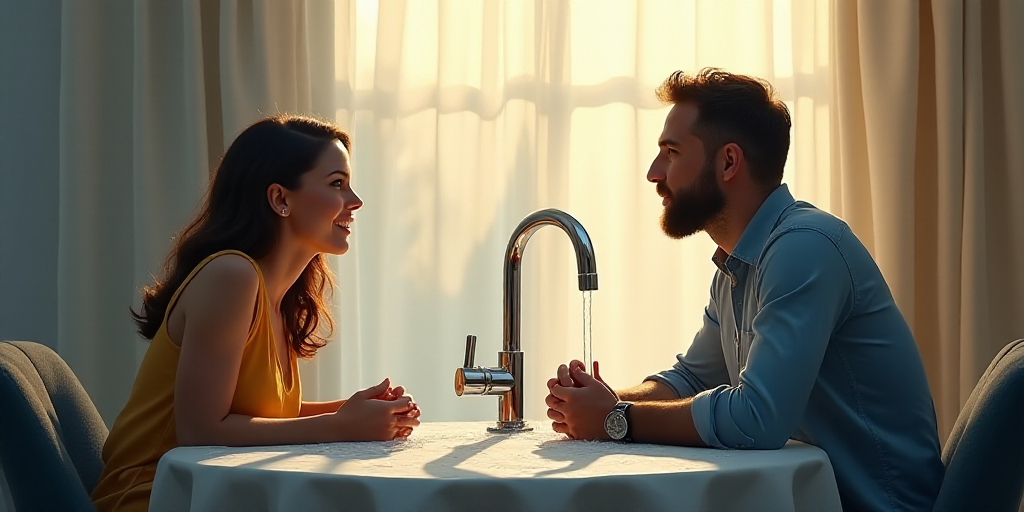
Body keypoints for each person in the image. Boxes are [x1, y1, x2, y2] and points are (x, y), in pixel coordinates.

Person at [544, 69, 944, 512]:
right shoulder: (739, 265)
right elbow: (693, 379)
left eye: (672, 152)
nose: (654, 173)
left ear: (729, 162)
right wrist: (607, 399)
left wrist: (616, 420)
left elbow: (759, 419)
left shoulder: (805, 248)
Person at [91, 114, 421, 512]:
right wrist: (342, 426)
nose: (355, 201)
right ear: (281, 199)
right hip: (153, 500)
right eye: (337, 184)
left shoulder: (274, 296)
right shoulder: (231, 276)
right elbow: (201, 430)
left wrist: (351, 410)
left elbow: (256, 415)